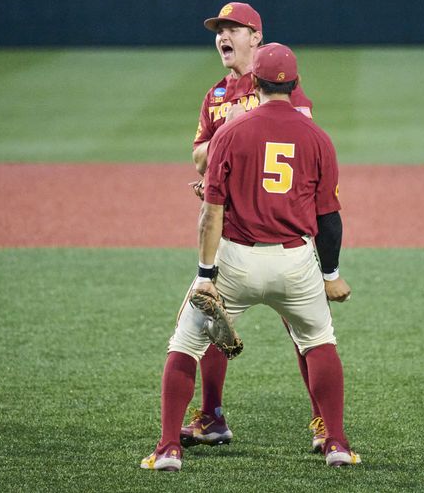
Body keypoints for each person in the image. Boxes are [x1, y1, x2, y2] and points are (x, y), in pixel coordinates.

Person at [141, 43, 360, 471]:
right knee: (319, 343)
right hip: (296, 262)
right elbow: (329, 218)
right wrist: (331, 274)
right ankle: (335, 442)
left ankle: (168, 448)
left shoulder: (231, 131)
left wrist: (206, 274)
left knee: (185, 345)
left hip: (236, 261)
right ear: (295, 84)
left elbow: (211, 214)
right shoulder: (317, 136)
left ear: (254, 83)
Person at [182, 2, 327, 453]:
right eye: (218, 30)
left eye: (233, 29)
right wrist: (222, 160)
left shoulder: (280, 83)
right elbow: (200, 153)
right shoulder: (216, 95)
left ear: (255, 38)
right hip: (232, 232)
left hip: (282, 227)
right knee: (211, 320)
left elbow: (299, 140)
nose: (223, 37)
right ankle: (211, 415)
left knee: (303, 331)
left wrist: (235, 139)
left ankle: (324, 421)